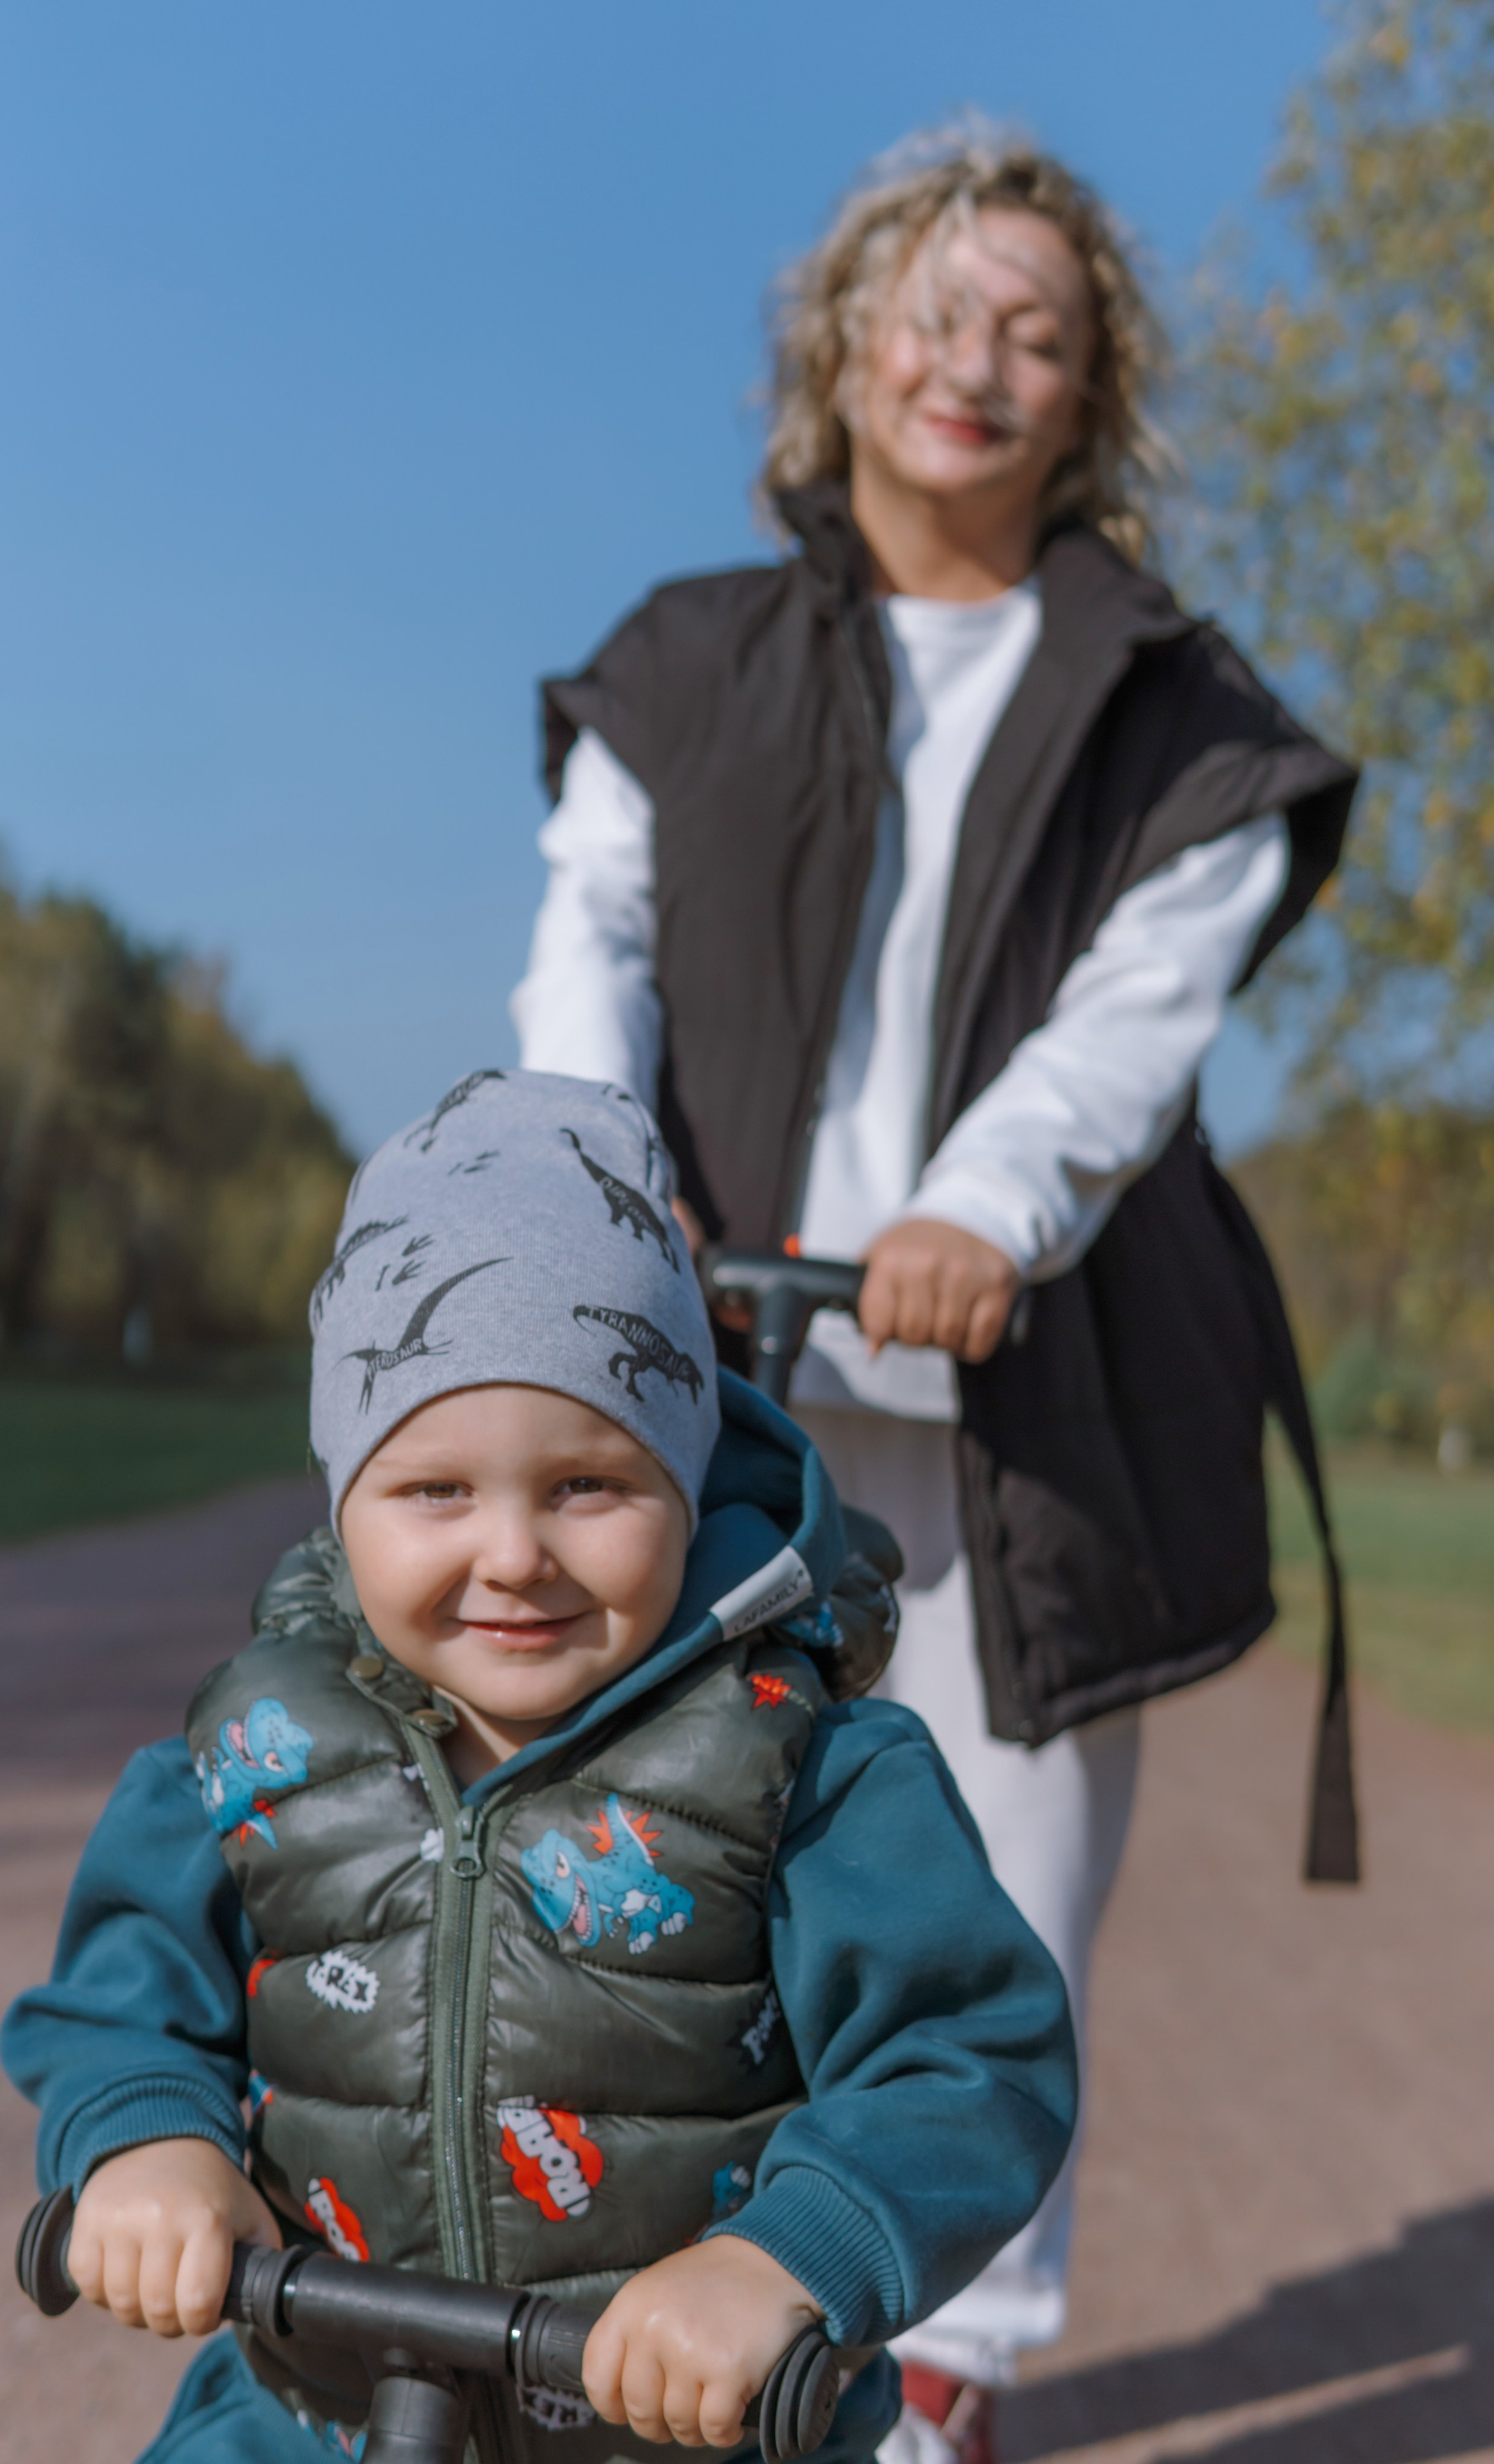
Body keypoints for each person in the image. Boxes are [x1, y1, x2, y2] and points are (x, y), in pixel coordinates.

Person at [511, 129, 1359, 2460]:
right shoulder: (686, 661)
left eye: (1039, 332)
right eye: (938, 310)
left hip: (1035, 1364)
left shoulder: (1166, 697)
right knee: (661, 1839)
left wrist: (983, 1207)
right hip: (710, 1345)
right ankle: (632, 2294)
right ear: (845, 346)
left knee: (991, 1879)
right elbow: (591, 942)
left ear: (1091, 397)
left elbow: (1138, 1010)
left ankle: (944, 2364)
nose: (977, 361)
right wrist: (597, 1193)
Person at [2, 1070, 1076, 2464]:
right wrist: (145, 2140)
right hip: (311, 2412)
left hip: (686, 2433)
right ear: (344, 1504)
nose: (512, 1553)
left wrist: (781, 2264)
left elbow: (968, 2052)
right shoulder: (251, 1748)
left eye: (586, 1485)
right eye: (435, 1489)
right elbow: (117, 1991)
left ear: (684, 1487)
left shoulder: (800, 1764)